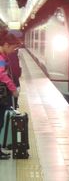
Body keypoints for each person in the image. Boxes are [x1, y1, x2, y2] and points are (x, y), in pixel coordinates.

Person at [0, 30, 20, 159]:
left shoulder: (3, 57)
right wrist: (13, 88)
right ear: (6, 44)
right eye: (13, 48)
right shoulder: (0, 58)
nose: (13, 51)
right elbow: (1, 74)